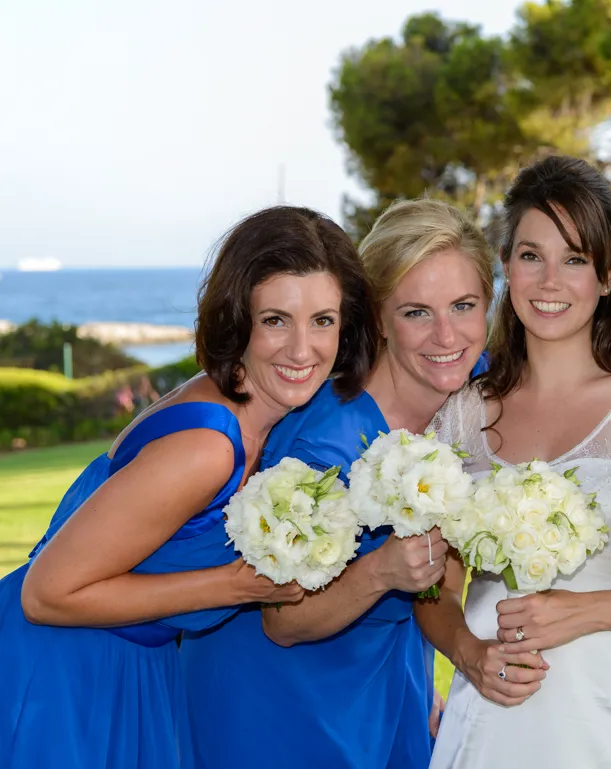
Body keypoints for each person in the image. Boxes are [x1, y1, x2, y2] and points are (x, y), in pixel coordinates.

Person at [0, 206, 378, 768]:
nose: (303, 350)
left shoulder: (260, 415)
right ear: (237, 319)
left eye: (322, 320)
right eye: (276, 320)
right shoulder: (208, 447)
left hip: (130, 665)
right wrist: (235, 585)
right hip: (64, 675)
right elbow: (47, 593)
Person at [419, 155, 611, 769]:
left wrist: (584, 613)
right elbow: (437, 584)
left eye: (574, 259)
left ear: (609, 275)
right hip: (495, 726)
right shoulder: (461, 415)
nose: (549, 281)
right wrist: (467, 652)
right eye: (531, 256)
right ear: (506, 265)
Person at [181, 198, 494, 769]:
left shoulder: (468, 400)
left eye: (464, 305)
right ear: (376, 318)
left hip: (381, 678)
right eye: (416, 312)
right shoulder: (327, 445)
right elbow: (282, 621)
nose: (447, 334)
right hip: (285, 701)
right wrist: (381, 571)